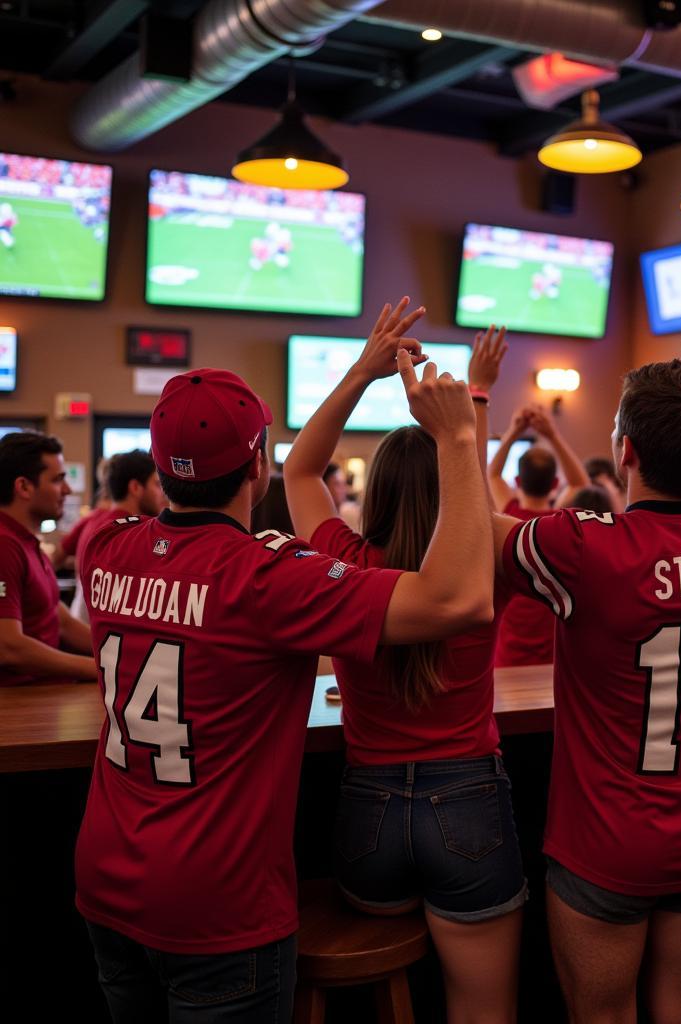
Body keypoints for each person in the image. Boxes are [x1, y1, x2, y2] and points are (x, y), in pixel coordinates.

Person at [75, 357, 494, 1023]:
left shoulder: (101, 549)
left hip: (106, 876)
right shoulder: (269, 578)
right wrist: (461, 437)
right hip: (218, 901)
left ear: (157, 468)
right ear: (255, 467)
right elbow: (461, 598)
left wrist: (360, 374)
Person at [490, 341, 681, 1023]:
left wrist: (473, 415)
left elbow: (478, 526)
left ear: (624, 451)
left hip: (609, 839)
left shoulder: (585, 547)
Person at [285, 305, 525, 1024]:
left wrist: (364, 369)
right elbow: (481, 507)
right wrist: (471, 405)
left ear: (378, 493)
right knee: (484, 1009)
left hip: (369, 817)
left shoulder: (346, 564)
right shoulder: (490, 566)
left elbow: (299, 468)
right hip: (471, 802)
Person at [489, 405, 588, 667]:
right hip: (551, 650)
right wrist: (553, 435)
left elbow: (493, 474)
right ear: (555, 484)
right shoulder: (558, 523)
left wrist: (513, 432)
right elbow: (580, 484)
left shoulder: (508, 516)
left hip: (509, 645)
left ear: (518, 481)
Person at [0, 431, 95, 685]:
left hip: (45, 697)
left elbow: (58, 618)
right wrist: (99, 670)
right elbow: (8, 646)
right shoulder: (4, 544)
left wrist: (117, 656)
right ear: (23, 487)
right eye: (58, 480)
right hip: (19, 708)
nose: (67, 489)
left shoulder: (28, 541)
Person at [56, 449, 165, 624]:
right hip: (99, 630)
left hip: (83, 618)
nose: (162, 493)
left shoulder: (92, 519)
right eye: (157, 485)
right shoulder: (133, 533)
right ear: (135, 488)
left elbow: (55, 558)